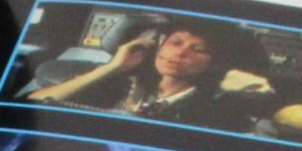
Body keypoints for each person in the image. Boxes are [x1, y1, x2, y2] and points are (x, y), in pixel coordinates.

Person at [26, 19, 276, 133]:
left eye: (198, 49)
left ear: (215, 63)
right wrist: (111, 67)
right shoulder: (118, 84)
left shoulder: (212, 109)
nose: (180, 53)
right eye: (175, 43)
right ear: (157, 46)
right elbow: (33, 105)